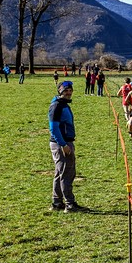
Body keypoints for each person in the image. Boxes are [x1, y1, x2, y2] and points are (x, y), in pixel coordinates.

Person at [49, 81, 85, 212]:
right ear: (60, 91)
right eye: (65, 91)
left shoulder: (63, 105)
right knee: (67, 174)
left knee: (60, 173)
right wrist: (63, 144)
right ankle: (70, 204)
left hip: (64, 142)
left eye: (70, 90)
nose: (68, 93)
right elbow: (53, 128)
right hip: (61, 144)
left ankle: (57, 202)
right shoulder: (57, 106)